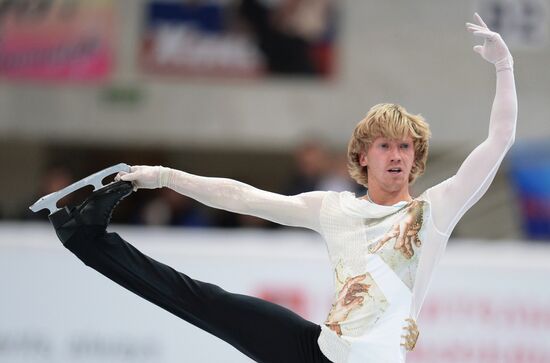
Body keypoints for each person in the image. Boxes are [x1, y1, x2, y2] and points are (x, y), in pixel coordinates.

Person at [45, 14, 516, 363]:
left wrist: (505, 68)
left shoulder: (435, 211)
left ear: (417, 158)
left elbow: (499, 141)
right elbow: (244, 197)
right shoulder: (332, 208)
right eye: (385, 146)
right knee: (207, 301)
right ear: (362, 156)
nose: (397, 155)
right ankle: (85, 238)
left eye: (406, 147)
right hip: (314, 353)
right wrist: (164, 177)